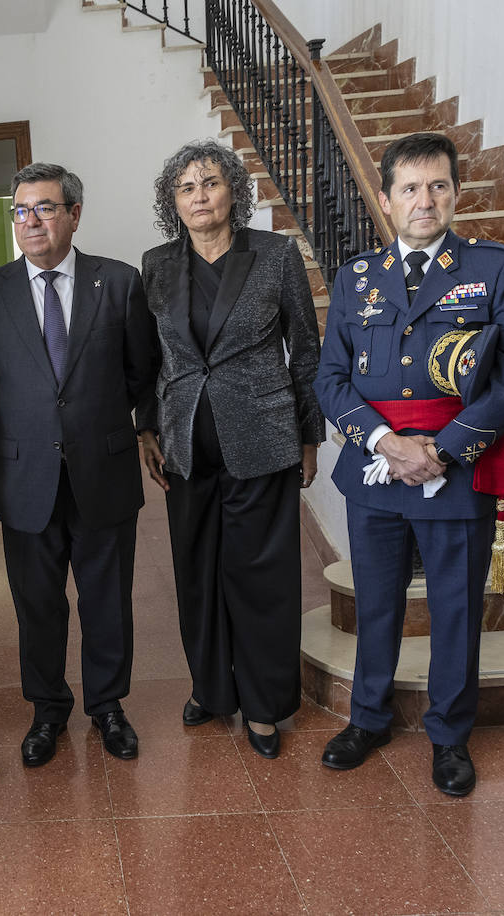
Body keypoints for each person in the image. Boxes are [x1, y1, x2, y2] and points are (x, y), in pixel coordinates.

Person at [313, 132, 504, 796]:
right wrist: (386, 443)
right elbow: (331, 380)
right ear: (386, 201)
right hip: (378, 472)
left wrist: (444, 449)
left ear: (455, 194)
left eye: (438, 185)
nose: (425, 200)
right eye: (410, 188)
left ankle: (449, 735)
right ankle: (368, 719)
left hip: (458, 464)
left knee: (454, 609)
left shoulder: (493, 268)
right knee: (377, 606)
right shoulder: (356, 277)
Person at [134, 140, 324, 760]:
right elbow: (151, 359)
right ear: (173, 202)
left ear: (233, 191)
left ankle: (266, 704)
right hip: (187, 443)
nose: (199, 197)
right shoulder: (157, 264)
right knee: (197, 571)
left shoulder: (273, 254)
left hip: (264, 438)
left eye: (209, 183)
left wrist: (308, 434)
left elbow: (306, 347)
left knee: (261, 576)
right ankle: (213, 689)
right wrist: (148, 428)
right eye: (186, 188)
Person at [0, 163, 156, 766]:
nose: (31, 221)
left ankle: (108, 706)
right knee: (37, 603)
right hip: (26, 475)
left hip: (103, 468)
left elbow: (141, 371)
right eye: (21, 210)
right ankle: (48, 710)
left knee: (107, 598)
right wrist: (36, 429)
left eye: (45, 208)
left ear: (74, 214)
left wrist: (91, 424)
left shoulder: (119, 284)